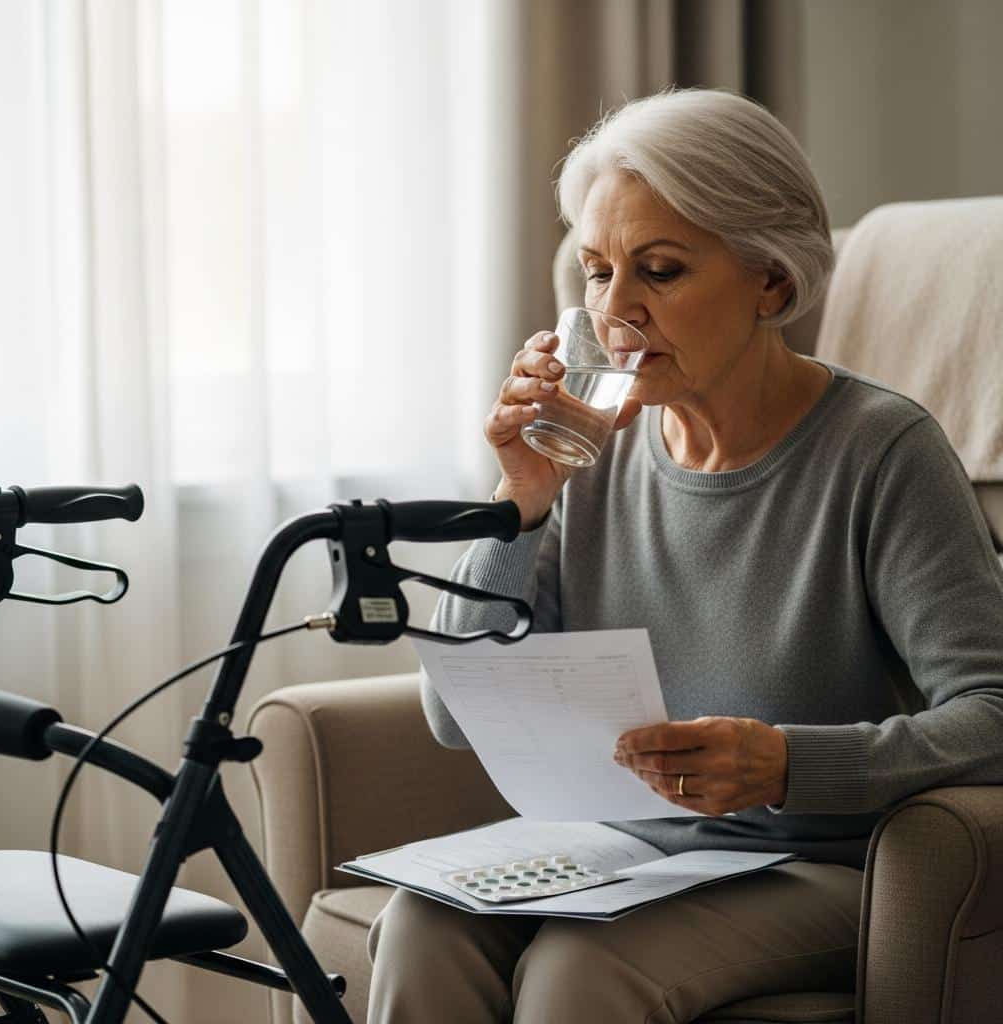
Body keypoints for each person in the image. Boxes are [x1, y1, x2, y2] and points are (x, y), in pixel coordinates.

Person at [366, 86, 1003, 1023]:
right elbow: (458, 719)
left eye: (658, 271)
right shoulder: (590, 449)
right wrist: (520, 508)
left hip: (813, 864)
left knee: (583, 970)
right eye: (595, 272)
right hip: (617, 850)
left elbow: (992, 714)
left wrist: (789, 764)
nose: (617, 310)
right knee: (422, 925)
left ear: (771, 284)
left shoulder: (880, 453)